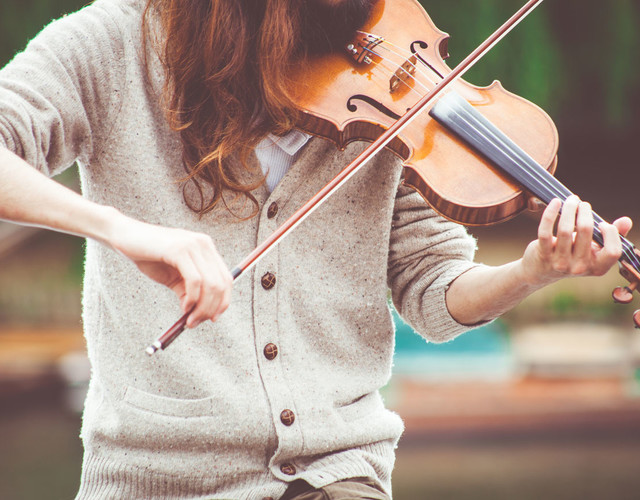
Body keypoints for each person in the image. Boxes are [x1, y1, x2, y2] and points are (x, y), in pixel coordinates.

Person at [0, 0, 631, 498]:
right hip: (155, 477)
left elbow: (434, 288)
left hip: (337, 475)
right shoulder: (109, 46)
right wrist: (116, 228)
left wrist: (531, 270)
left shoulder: (389, 86)